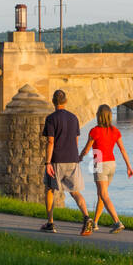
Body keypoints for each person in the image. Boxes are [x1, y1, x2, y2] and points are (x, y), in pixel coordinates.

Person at [41, 89, 92, 234]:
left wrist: (47, 163)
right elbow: (76, 140)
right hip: (72, 159)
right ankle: (87, 217)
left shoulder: (51, 119)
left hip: (57, 160)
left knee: (50, 190)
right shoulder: (74, 118)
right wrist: (74, 156)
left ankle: (50, 223)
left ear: (53, 101)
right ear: (66, 101)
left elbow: (50, 142)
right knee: (75, 192)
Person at [81, 103, 133, 233]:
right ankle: (96, 223)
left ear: (99, 116)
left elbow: (87, 149)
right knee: (102, 195)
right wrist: (128, 166)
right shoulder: (115, 131)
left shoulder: (94, 131)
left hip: (100, 164)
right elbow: (122, 149)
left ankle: (117, 222)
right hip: (112, 164)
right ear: (110, 116)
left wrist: (79, 157)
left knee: (103, 194)